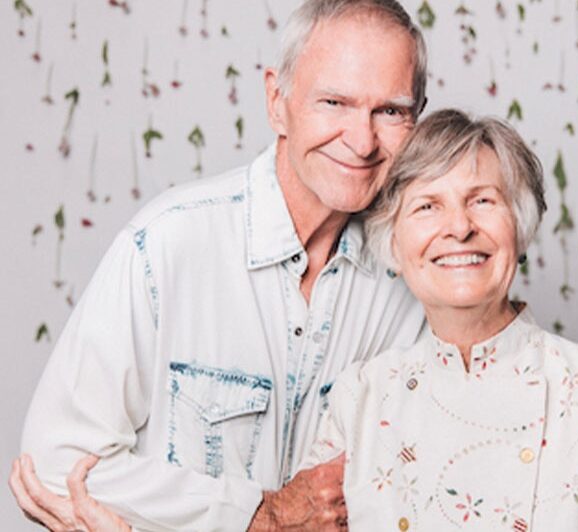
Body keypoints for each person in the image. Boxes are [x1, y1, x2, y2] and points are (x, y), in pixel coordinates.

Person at [8, 1, 428, 530]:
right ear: (278, 101)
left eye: (390, 111)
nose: (362, 140)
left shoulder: (418, 277)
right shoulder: (166, 243)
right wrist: (262, 515)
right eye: (334, 102)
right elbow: (54, 465)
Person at [299, 109, 578, 530]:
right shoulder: (357, 402)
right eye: (427, 206)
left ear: (520, 225)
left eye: (482, 200)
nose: (458, 227)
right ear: (394, 243)